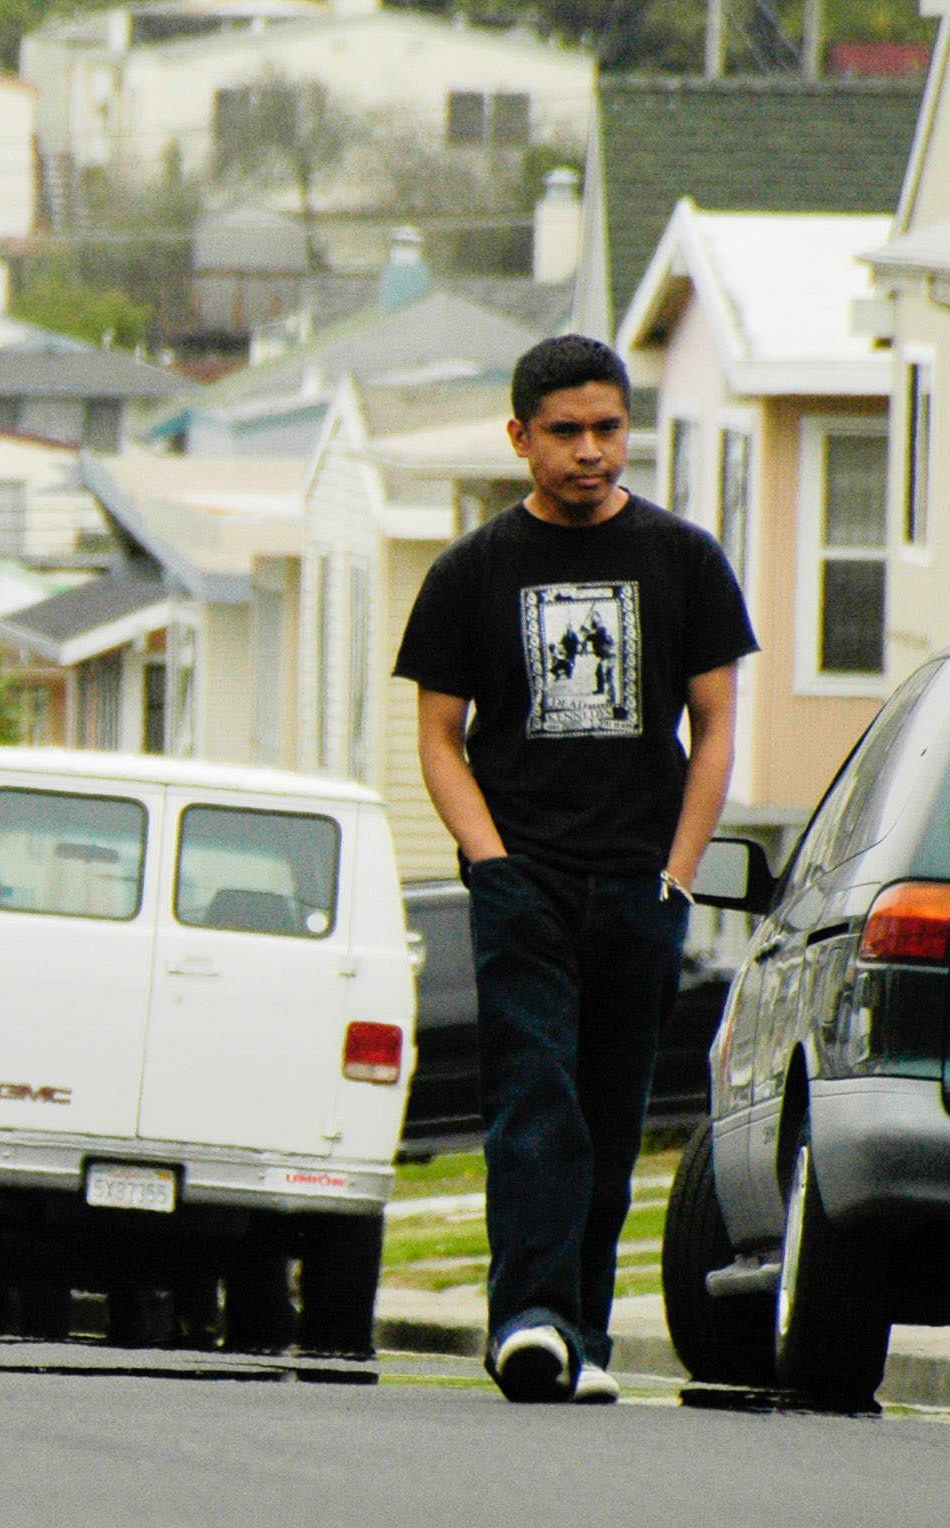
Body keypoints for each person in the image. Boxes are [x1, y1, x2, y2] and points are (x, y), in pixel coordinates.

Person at [392, 335, 755, 1404]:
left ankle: (582, 1338)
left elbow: (714, 726)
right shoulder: (469, 573)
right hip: (525, 884)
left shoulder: (683, 560)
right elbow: (435, 736)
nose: (588, 451)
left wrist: (676, 878)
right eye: (563, 432)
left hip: (638, 883)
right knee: (532, 1098)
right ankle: (529, 1320)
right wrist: (490, 863)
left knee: (608, 1115)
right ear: (518, 439)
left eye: (605, 428)